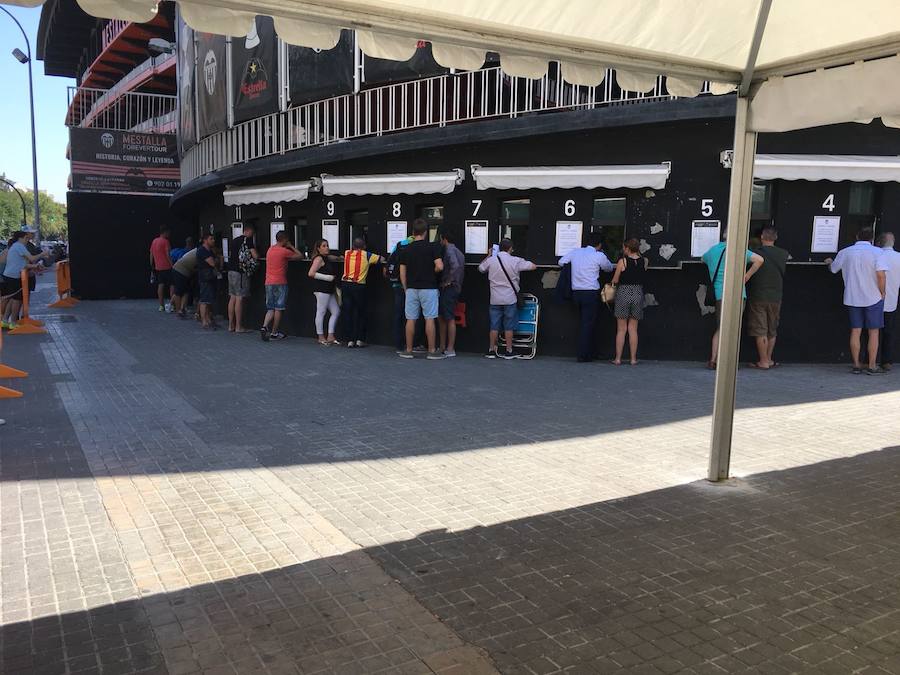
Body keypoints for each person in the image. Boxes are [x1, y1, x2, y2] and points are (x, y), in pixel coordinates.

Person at [826, 226, 888, 375]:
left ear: (856, 236)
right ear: (872, 239)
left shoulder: (845, 252)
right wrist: (882, 292)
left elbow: (833, 269)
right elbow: (881, 275)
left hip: (852, 297)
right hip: (873, 297)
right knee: (874, 332)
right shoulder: (878, 253)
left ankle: (856, 364)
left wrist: (828, 262)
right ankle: (872, 365)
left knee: (856, 331)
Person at [701, 230, 764, 370]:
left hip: (719, 294)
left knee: (721, 327)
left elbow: (703, 259)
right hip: (736, 294)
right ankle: (728, 362)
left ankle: (713, 359)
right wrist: (747, 276)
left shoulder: (713, 250)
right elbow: (760, 260)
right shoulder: (739, 250)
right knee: (733, 329)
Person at [558, 235, 615, 362]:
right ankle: (584, 354)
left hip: (576, 293)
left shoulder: (575, 252)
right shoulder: (598, 255)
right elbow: (609, 267)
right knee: (588, 324)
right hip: (591, 293)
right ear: (599, 245)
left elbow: (561, 262)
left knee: (584, 323)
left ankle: (590, 351)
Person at [479, 238, 536, 359]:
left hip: (494, 298)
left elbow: (481, 268)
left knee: (494, 325)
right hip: (510, 298)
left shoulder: (491, 260)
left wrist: (489, 255)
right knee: (509, 325)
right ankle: (509, 351)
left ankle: (491, 350)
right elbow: (532, 266)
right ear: (510, 248)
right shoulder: (515, 260)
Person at [397, 219, 444, 359]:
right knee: (430, 318)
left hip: (411, 288)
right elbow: (440, 266)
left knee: (410, 319)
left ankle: (409, 350)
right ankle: (431, 350)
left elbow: (402, 272)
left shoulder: (406, 249)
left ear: (413, 232)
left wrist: (406, 288)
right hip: (429, 287)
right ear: (425, 232)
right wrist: (433, 270)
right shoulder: (432, 247)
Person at [747, 227, 790, 369]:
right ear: (775, 238)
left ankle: (763, 361)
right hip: (776, 296)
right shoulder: (783, 254)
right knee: (772, 329)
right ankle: (769, 359)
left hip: (758, 296)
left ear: (761, 237)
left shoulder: (755, 253)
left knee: (760, 329)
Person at [610, 238, 648, 365]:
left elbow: (615, 280)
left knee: (621, 329)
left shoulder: (623, 262)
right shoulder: (644, 261)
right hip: (638, 293)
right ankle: (633, 359)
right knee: (633, 329)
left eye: (624, 247)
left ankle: (618, 358)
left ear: (627, 248)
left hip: (623, 293)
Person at [340, 238, 383, 349]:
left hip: (345, 284)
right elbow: (381, 259)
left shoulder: (347, 253)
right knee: (361, 312)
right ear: (364, 246)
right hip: (359, 286)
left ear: (353, 246)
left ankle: (350, 340)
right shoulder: (367, 255)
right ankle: (360, 339)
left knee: (348, 312)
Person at [261, 231, 304, 342]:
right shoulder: (284, 251)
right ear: (285, 240)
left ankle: (264, 326)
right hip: (280, 282)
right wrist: (291, 246)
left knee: (270, 308)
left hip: (268, 282)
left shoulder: (270, 250)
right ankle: (274, 333)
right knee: (279, 308)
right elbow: (300, 256)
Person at [1, 231, 48, 329]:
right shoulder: (19, 246)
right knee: (17, 300)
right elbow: (32, 258)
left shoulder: (16, 247)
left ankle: (5, 320)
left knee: (13, 299)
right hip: (13, 277)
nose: (27, 240)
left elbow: (22, 264)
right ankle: (13, 322)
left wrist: (35, 266)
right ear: (20, 238)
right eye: (26, 238)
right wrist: (43, 254)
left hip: (11, 276)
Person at [308, 238, 341, 345]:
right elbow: (311, 273)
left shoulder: (326, 258)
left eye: (327, 245)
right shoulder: (318, 259)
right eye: (324, 246)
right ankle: (321, 336)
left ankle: (330, 335)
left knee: (336, 311)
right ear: (318, 249)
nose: (327, 247)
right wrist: (328, 278)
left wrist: (340, 257)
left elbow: (333, 257)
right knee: (321, 311)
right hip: (321, 289)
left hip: (328, 289)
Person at [438, 230, 465, 357]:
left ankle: (449, 348)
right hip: (456, 288)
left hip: (450, 288)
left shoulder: (449, 250)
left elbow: (455, 266)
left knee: (448, 317)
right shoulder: (459, 251)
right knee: (445, 316)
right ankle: (444, 346)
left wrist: (448, 281)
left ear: (444, 239)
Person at [227, 224, 258, 333]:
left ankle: (231, 325)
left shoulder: (235, 240)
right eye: (252, 233)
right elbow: (255, 256)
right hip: (240, 272)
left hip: (230, 270)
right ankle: (239, 327)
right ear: (248, 231)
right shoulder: (248, 240)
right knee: (240, 298)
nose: (253, 235)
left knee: (232, 297)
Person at [385, 235, 413, 353]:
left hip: (397, 285)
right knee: (411, 316)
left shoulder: (399, 244)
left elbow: (388, 265)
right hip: (411, 286)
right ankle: (412, 343)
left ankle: (398, 344)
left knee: (398, 315)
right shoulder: (415, 245)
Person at [877, 232, 900, 371]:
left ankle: (869, 360)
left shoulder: (877, 255)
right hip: (892, 299)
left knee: (872, 332)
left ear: (879, 242)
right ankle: (887, 361)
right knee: (889, 331)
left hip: (873, 299)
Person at [196, 233, 219, 329]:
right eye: (211, 239)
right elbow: (213, 262)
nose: (213, 240)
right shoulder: (202, 250)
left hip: (209, 277)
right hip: (205, 277)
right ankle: (204, 321)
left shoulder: (209, 251)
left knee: (208, 299)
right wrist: (216, 260)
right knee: (205, 299)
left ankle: (207, 319)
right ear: (205, 240)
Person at [150, 226, 174, 312]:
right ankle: (172, 305)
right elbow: (168, 255)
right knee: (172, 285)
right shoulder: (166, 241)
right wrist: (172, 265)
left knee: (160, 285)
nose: (169, 234)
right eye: (168, 232)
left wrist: (152, 265)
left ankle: (161, 306)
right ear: (165, 232)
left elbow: (151, 254)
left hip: (158, 267)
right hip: (167, 267)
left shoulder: (154, 241)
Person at [171, 245, 198, 318]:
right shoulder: (201, 252)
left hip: (181, 270)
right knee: (179, 292)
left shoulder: (196, 250)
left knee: (186, 291)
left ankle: (181, 309)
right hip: (180, 271)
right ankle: (178, 311)